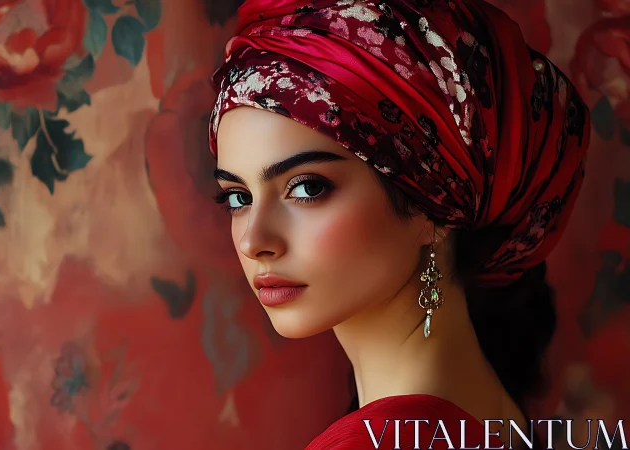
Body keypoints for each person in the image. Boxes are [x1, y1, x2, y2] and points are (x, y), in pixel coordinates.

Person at [207, 0, 591, 449]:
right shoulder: (489, 412)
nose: (254, 241)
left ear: (434, 204)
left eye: (307, 188)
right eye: (238, 197)